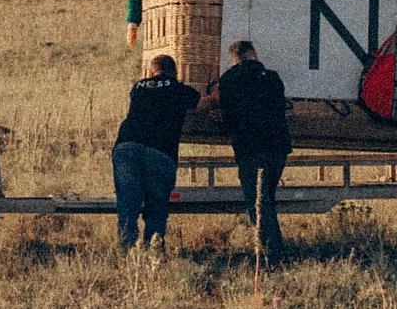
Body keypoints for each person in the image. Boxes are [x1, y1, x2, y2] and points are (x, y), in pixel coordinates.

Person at [204, 40, 293, 267]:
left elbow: (223, 113)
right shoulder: (272, 77)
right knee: (267, 199)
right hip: (277, 146)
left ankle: (272, 257)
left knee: (258, 203)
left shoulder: (229, 80)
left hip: (250, 147)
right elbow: (280, 105)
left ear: (235, 58)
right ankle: (271, 253)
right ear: (253, 54)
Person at [111, 53, 199, 251]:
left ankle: (127, 250)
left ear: (151, 71)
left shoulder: (138, 87)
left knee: (127, 202)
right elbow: (200, 102)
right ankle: (153, 250)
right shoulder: (180, 89)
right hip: (160, 150)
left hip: (127, 146)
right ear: (175, 73)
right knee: (157, 206)